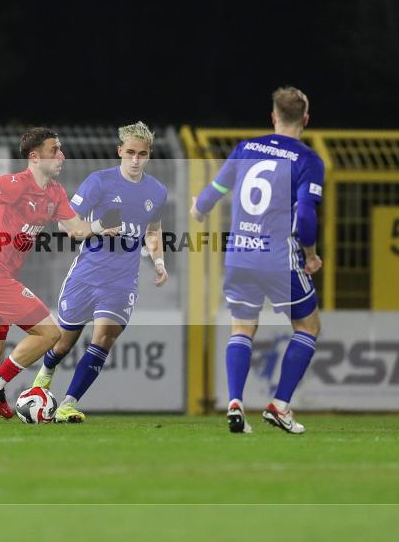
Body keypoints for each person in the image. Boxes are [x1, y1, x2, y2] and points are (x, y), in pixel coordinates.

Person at [0, 127, 120, 423]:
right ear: (34, 157)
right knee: (50, 333)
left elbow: (75, 230)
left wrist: (99, 226)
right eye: (54, 150)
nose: (61, 155)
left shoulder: (54, 193)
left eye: (61, 148)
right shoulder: (17, 184)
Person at [190, 86, 323, 435]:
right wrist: (309, 255)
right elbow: (306, 217)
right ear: (306, 120)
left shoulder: (245, 148)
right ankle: (279, 405)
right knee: (308, 327)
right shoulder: (308, 160)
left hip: (240, 254)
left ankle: (234, 401)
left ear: (273, 117)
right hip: (279, 258)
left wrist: (198, 209)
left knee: (242, 328)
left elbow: (215, 191)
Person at [32, 121, 169, 423]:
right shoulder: (99, 182)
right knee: (64, 342)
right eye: (130, 152)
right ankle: (44, 376)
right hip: (87, 275)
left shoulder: (157, 192)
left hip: (121, 281)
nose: (136, 159)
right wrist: (96, 228)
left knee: (104, 337)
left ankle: (68, 404)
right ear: (120, 151)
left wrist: (159, 263)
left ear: (149, 155)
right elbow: (66, 226)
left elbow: (154, 231)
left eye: (142, 154)